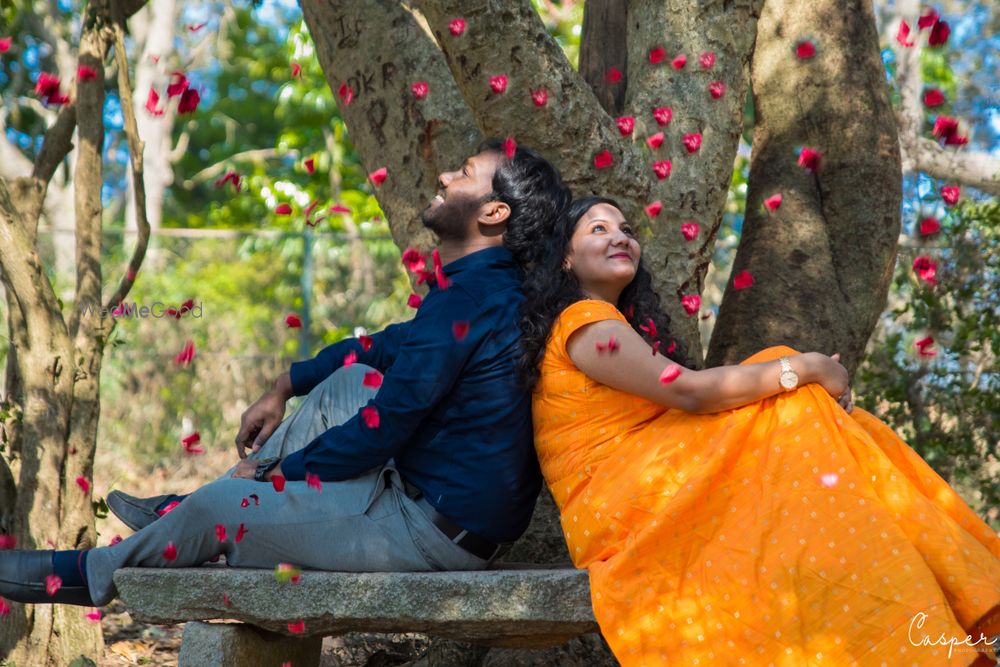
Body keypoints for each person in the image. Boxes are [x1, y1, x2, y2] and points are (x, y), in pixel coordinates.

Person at [0, 140, 571, 609]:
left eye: (466, 173)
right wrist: (286, 383)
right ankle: (209, 498)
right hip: (427, 504)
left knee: (221, 511)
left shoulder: (471, 295)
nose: (446, 175)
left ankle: (89, 574)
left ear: (494, 212)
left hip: (429, 533)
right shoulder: (483, 288)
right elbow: (390, 345)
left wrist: (277, 474)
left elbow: (386, 426)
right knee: (347, 383)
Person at [520, 196, 1000, 666]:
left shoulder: (601, 323)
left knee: (797, 400)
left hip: (634, 489)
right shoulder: (585, 322)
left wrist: (797, 376)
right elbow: (690, 392)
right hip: (620, 504)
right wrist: (806, 366)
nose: (620, 237)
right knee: (786, 384)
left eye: (626, 229)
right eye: (599, 229)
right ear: (565, 256)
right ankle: (955, 599)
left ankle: (927, 613)